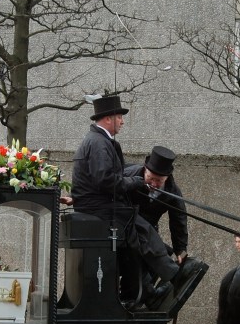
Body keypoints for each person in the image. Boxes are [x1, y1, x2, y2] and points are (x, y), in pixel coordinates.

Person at [71, 94, 200, 307]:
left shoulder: (98, 141)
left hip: (97, 205)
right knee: (139, 227)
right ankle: (168, 277)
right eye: (120, 117)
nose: (122, 122)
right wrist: (136, 183)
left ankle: (145, 288)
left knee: (140, 231)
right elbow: (105, 180)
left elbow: (179, 216)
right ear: (108, 119)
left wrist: (180, 248)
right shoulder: (98, 143)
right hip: (100, 209)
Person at [124, 146, 189, 265]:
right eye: (150, 178)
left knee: (159, 260)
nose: (153, 184)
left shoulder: (172, 191)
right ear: (145, 170)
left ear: (167, 178)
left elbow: (179, 221)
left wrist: (181, 251)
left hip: (149, 234)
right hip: (125, 231)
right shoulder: (127, 175)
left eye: (159, 181)